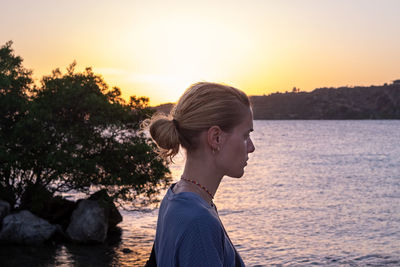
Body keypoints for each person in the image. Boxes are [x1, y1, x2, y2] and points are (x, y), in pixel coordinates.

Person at [145, 82, 255, 266]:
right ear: (216, 138)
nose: (251, 147)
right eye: (245, 136)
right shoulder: (198, 221)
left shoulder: (174, 198)